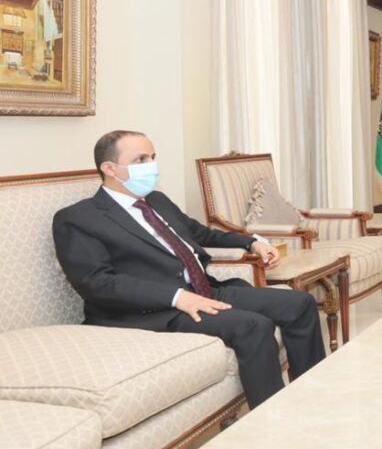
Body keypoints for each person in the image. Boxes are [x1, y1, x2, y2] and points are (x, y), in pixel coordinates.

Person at [53, 130, 326, 408]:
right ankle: (271, 418)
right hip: (153, 310)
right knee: (253, 326)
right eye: (140, 159)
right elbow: (97, 283)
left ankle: (313, 399)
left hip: (202, 290)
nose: (151, 165)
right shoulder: (79, 218)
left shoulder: (157, 201)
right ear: (109, 168)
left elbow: (201, 234)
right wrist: (176, 297)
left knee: (300, 303)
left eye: (153, 157)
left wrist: (251, 242)